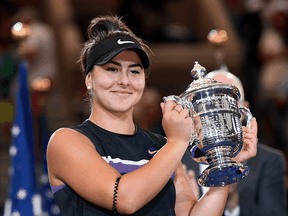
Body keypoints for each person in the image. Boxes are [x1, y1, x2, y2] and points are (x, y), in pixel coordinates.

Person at [46, 15, 258, 215]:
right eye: (112, 69)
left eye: (134, 71)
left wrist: (225, 168)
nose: (124, 81)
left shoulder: (163, 147)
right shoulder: (67, 141)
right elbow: (124, 199)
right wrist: (176, 142)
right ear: (89, 80)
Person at [182, 70, 287, 216]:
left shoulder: (268, 160)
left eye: (228, 101)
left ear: (244, 109)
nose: (218, 111)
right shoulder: (178, 161)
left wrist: (234, 205)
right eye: (210, 102)